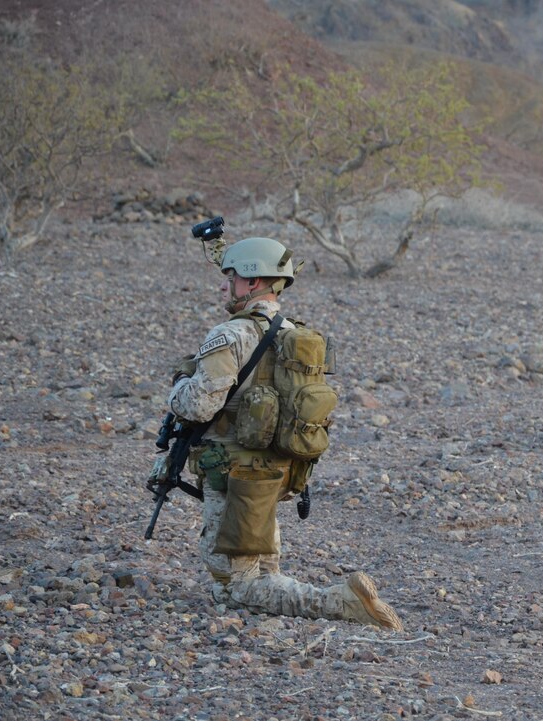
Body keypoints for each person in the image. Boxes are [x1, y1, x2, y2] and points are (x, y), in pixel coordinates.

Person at [167, 236, 402, 629]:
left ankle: (342, 602)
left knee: (235, 586)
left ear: (254, 282)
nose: (228, 285)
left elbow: (199, 405)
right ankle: (330, 599)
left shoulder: (230, 335)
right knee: (262, 570)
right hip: (282, 467)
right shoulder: (297, 335)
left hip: (234, 471)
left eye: (233, 277)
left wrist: (177, 386)